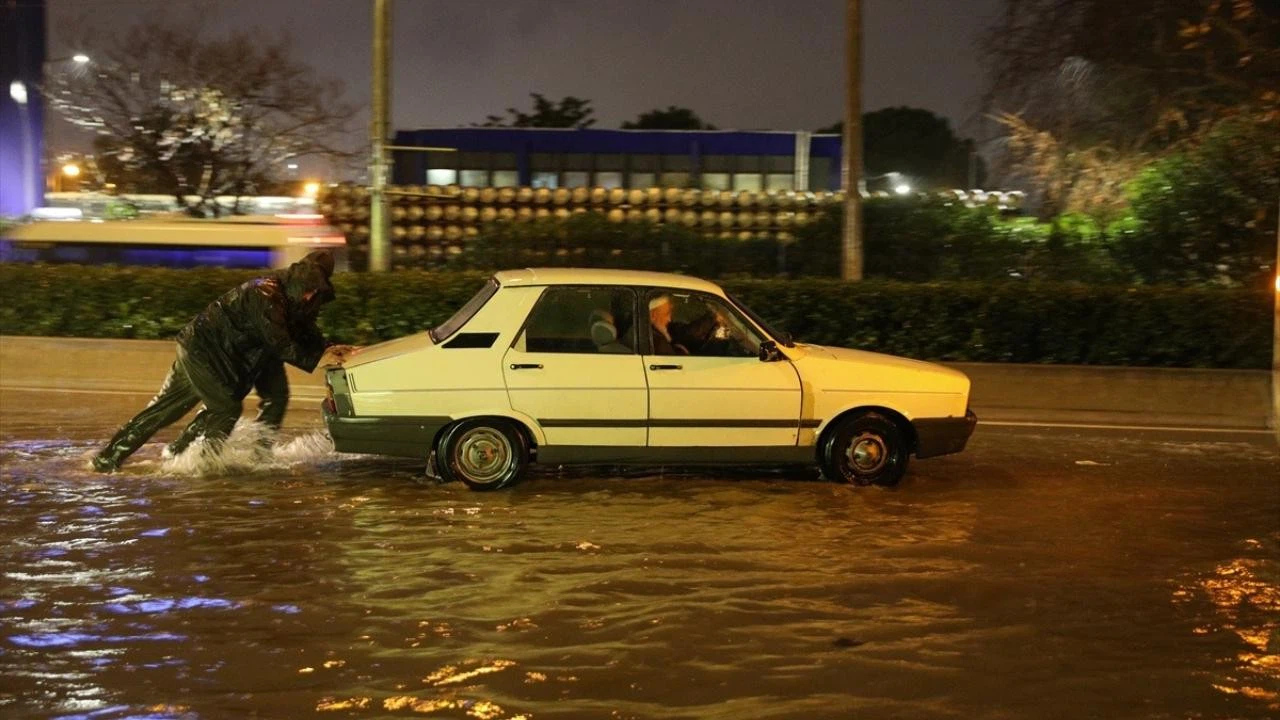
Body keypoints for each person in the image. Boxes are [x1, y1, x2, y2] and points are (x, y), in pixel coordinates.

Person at [91, 250, 353, 473]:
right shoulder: (264, 293)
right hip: (202, 351)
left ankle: (249, 454)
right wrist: (317, 358)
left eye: (315, 291)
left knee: (276, 396)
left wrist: (329, 348)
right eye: (308, 290)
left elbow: (306, 330)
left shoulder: (302, 296)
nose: (310, 297)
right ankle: (198, 462)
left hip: (246, 355)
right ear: (299, 281)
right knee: (214, 408)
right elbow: (280, 341)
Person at [648, 294, 723, 356]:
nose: (669, 319)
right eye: (666, 314)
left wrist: (712, 318)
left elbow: (687, 332)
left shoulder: (666, 328)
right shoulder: (655, 340)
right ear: (653, 316)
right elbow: (675, 361)